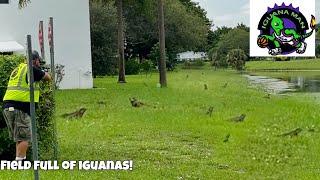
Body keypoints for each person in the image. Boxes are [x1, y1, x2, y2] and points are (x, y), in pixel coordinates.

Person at [2, 50, 51, 161]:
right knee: (25, 138)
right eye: (39, 61)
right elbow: (48, 78)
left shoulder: (18, 68)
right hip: (19, 108)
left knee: (19, 138)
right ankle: (20, 165)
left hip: (9, 107)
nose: (39, 63)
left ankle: (19, 161)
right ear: (35, 60)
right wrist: (43, 70)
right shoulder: (31, 69)